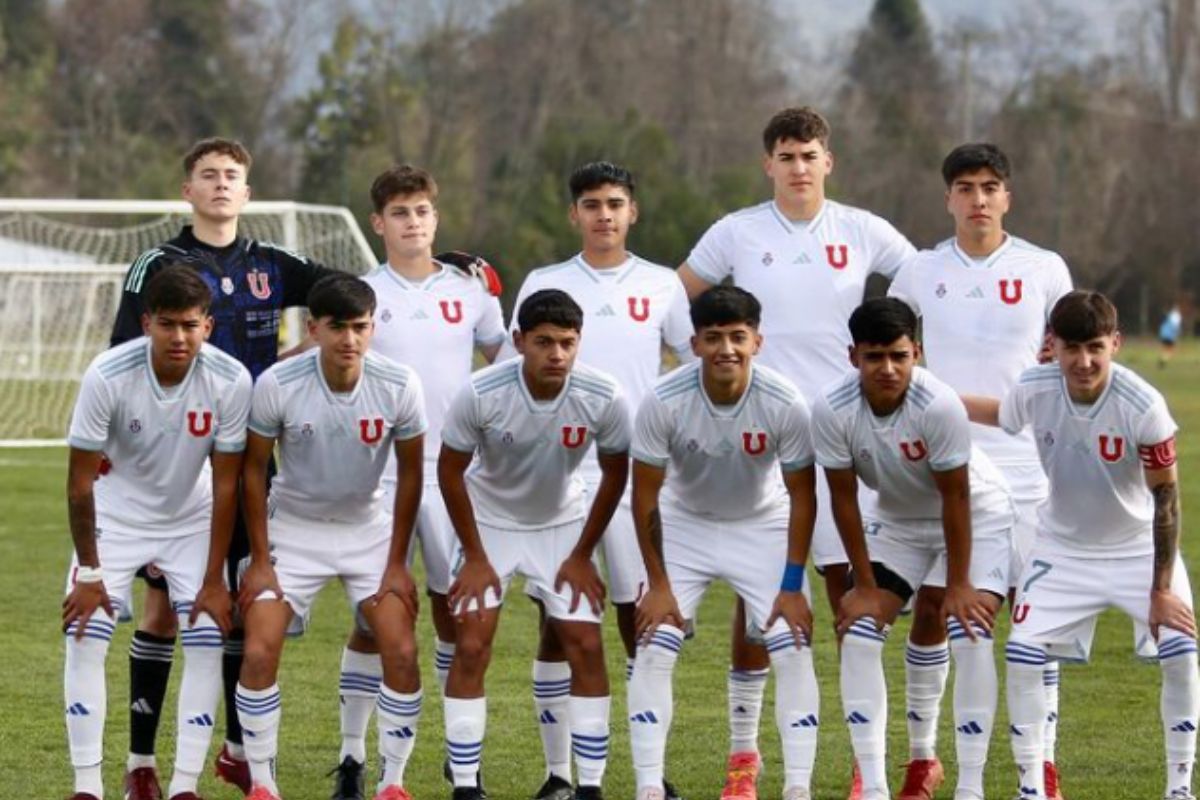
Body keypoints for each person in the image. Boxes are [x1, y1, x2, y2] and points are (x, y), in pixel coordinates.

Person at [676, 106, 917, 799]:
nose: (798, 167)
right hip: (761, 436)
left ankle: (862, 763)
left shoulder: (863, 230)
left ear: (828, 162)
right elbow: (674, 296)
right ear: (768, 165)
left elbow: (927, 286)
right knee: (761, 607)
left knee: (851, 603)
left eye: (809, 154)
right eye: (786, 156)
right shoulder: (737, 230)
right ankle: (744, 760)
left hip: (844, 438)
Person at [110, 136, 338, 798]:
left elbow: (351, 295)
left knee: (237, 599)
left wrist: (305, 345)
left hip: (250, 456)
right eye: (207, 175)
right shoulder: (158, 261)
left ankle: (237, 750)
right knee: (162, 610)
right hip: (175, 459)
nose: (218, 185)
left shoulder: (272, 262)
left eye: (230, 176)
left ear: (247, 193)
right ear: (188, 190)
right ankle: (142, 763)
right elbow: (124, 352)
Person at [886, 143, 1073, 800]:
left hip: (1029, 469)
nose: (978, 199)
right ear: (948, 199)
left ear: (1008, 196)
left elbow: (1065, 359)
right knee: (935, 607)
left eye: (990, 187)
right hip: (944, 465)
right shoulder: (918, 270)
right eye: (965, 188)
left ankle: (1040, 762)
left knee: (1033, 615)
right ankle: (921, 758)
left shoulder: (1045, 269)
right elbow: (899, 363)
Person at [501, 161, 692, 800]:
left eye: (614, 203)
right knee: (558, 625)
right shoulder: (547, 282)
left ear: (632, 211)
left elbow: (696, 366)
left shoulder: (663, 284)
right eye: (590, 204)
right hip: (557, 481)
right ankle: (558, 776)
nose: (603, 214)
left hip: (633, 475)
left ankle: (647, 775)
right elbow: (510, 373)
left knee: (642, 623)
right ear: (573, 214)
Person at [963, 290, 1199, 800]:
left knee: (1181, 650)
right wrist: (935, 396)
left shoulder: (1144, 405)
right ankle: (1032, 790)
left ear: (1114, 343)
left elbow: (1168, 501)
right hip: (1062, 551)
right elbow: (1001, 413)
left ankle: (1180, 789)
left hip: (1138, 548)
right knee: (1023, 655)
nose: (1084, 361)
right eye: (1072, 348)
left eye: (1095, 346)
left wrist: (1161, 590)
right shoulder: (1035, 386)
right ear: (1053, 345)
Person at [328, 164, 505, 800]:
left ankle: (461, 766)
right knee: (378, 621)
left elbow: (503, 361)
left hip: (458, 477)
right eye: (400, 213)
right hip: (380, 480)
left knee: (455, 617)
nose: (413, 223)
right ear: (378, 223)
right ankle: (357, 760)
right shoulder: (361, 295)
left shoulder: (471, 289)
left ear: (436, 217)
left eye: (422, 211)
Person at [812, 298, 1013, 800]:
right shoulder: (831, 408)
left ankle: (969, 786)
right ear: (852, 355)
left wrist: (961, 584)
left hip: (976, 516)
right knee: (858, 633)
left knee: (968, 632)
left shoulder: (939, 404)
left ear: (916, 353)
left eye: (899, 356)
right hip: (899, 522)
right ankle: (875, 785)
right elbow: (843, 498)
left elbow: (957, 496)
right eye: (875, 356)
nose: (888, 368)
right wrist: (861, 585)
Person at [234, 274, 427, 800]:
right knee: (258, 650)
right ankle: (263, 785)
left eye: (360, 327)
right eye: (337, 327)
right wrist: (259, 559)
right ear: (313, 328)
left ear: (372, 329)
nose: (349, 339)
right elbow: (253, 471)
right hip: (293, 530)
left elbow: (411, 475)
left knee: (402, 651)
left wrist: (397, 562)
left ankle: (391, 782)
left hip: (368, 531)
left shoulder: (400, 383)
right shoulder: (278, 383)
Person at [62, 265, 252, 800]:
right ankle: (88, 788)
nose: (179, 337)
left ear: (208, 326)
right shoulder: (107, 373)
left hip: (191, 519)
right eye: (167, 324)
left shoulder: (231, 379)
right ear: (146, 322)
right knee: (84, 632)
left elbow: (228, 484)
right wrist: (91, 573)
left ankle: (185, 787)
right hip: (115, 517)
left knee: (208, 634)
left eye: (191, 325)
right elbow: (78, 484)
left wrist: (215, 577)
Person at [626, 286, 821, 800]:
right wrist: (660, 585)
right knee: (653, 644)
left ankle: (794, 787)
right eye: (713, 338)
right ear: (693, 344)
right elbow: (643, 494)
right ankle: (648, 787)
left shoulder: (785, 402)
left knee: (792, 643)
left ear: (757, 340)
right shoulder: (664, 399)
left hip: (761, 525)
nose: (726, 349)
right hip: (684, 524)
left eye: (738, 337)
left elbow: (803, 496)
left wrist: (793, 583)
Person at [439, 289, 630, 800]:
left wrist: (582, 554)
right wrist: (475, 556)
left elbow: (615, 474)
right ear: (519, 341)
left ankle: (584, 787)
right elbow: (450, 471)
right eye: (544, 342)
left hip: (563, 524)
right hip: (489, 523)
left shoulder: (603, 394)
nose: (557, 354)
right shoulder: (480, 392)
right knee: (474, 643)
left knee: (585, 644)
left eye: (567, 343)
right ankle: (464, 787)